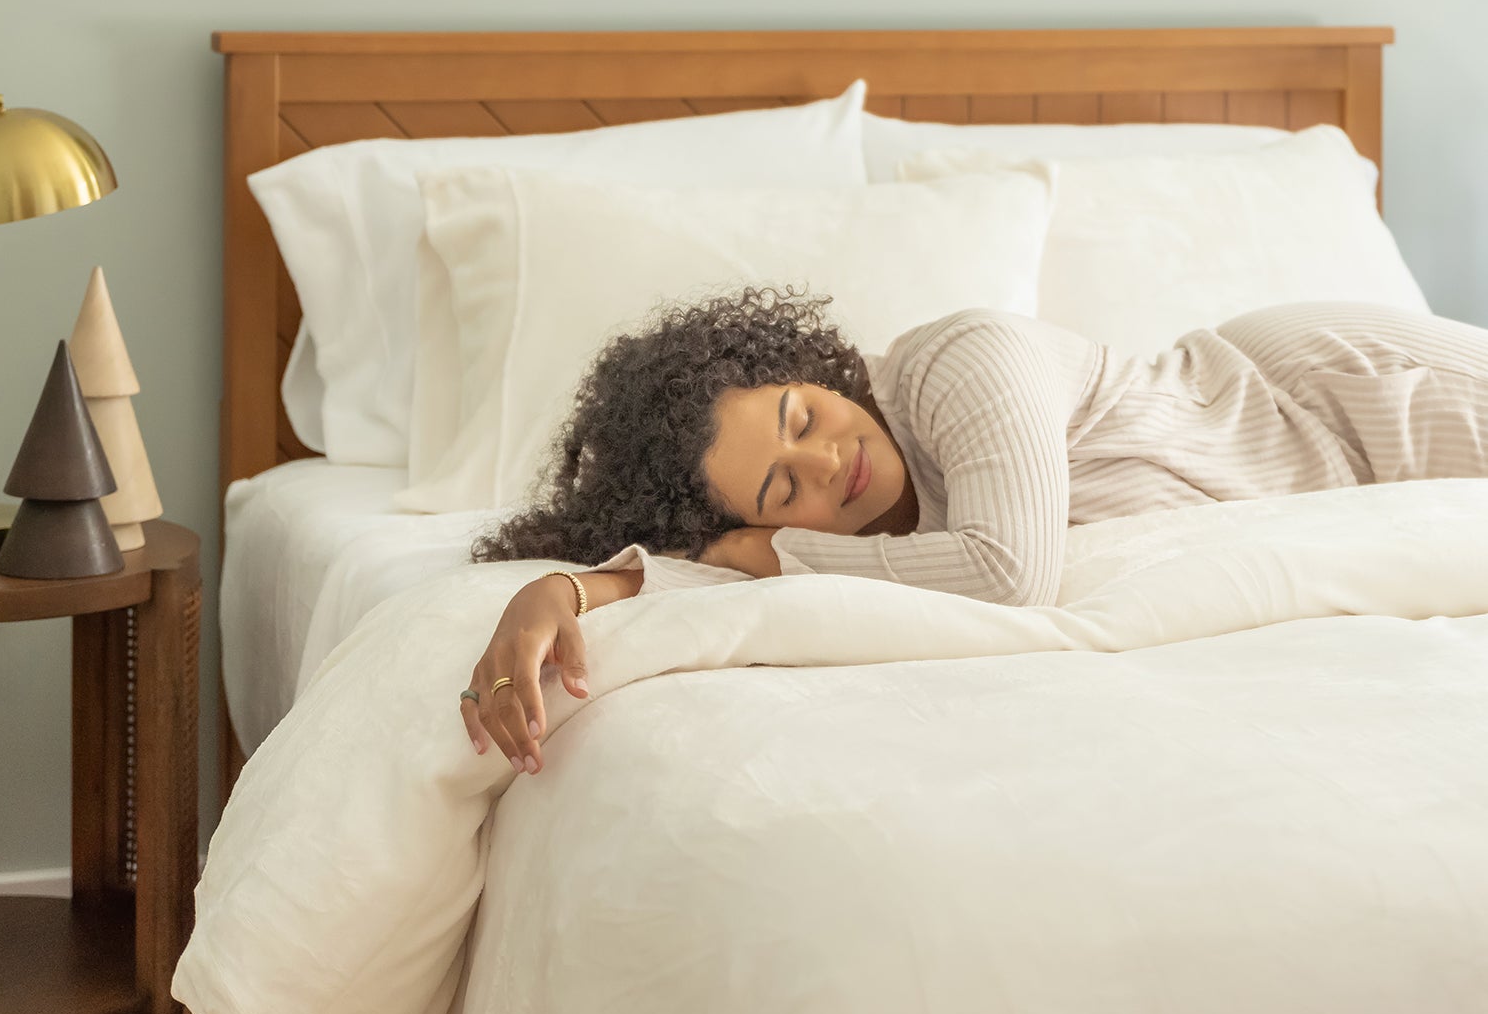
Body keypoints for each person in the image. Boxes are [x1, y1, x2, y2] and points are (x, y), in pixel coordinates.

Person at [457, 285, 1488, 773]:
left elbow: (1006, 576)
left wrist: (780, 546)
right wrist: (564, 591)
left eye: (803, 417)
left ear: (813, 370)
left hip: (1338, 396)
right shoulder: (838, 544)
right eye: (782, 489)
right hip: (1345, 483)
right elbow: (717, 574)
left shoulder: (963, 360)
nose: (828, 460)